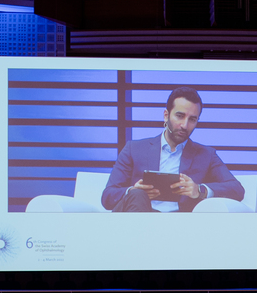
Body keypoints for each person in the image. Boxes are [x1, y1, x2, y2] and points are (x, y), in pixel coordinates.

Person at [101, 86, 245, 212]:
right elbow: (107, 196)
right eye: (180, 116)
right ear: (166, 116)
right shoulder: (134, 149)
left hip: (180, 225)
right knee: (137, 195)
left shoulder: (206, 155)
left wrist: (199, 190)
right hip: (140, 217)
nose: (185, 125)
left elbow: (237, 189)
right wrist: (133, 191)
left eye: (192, 119)